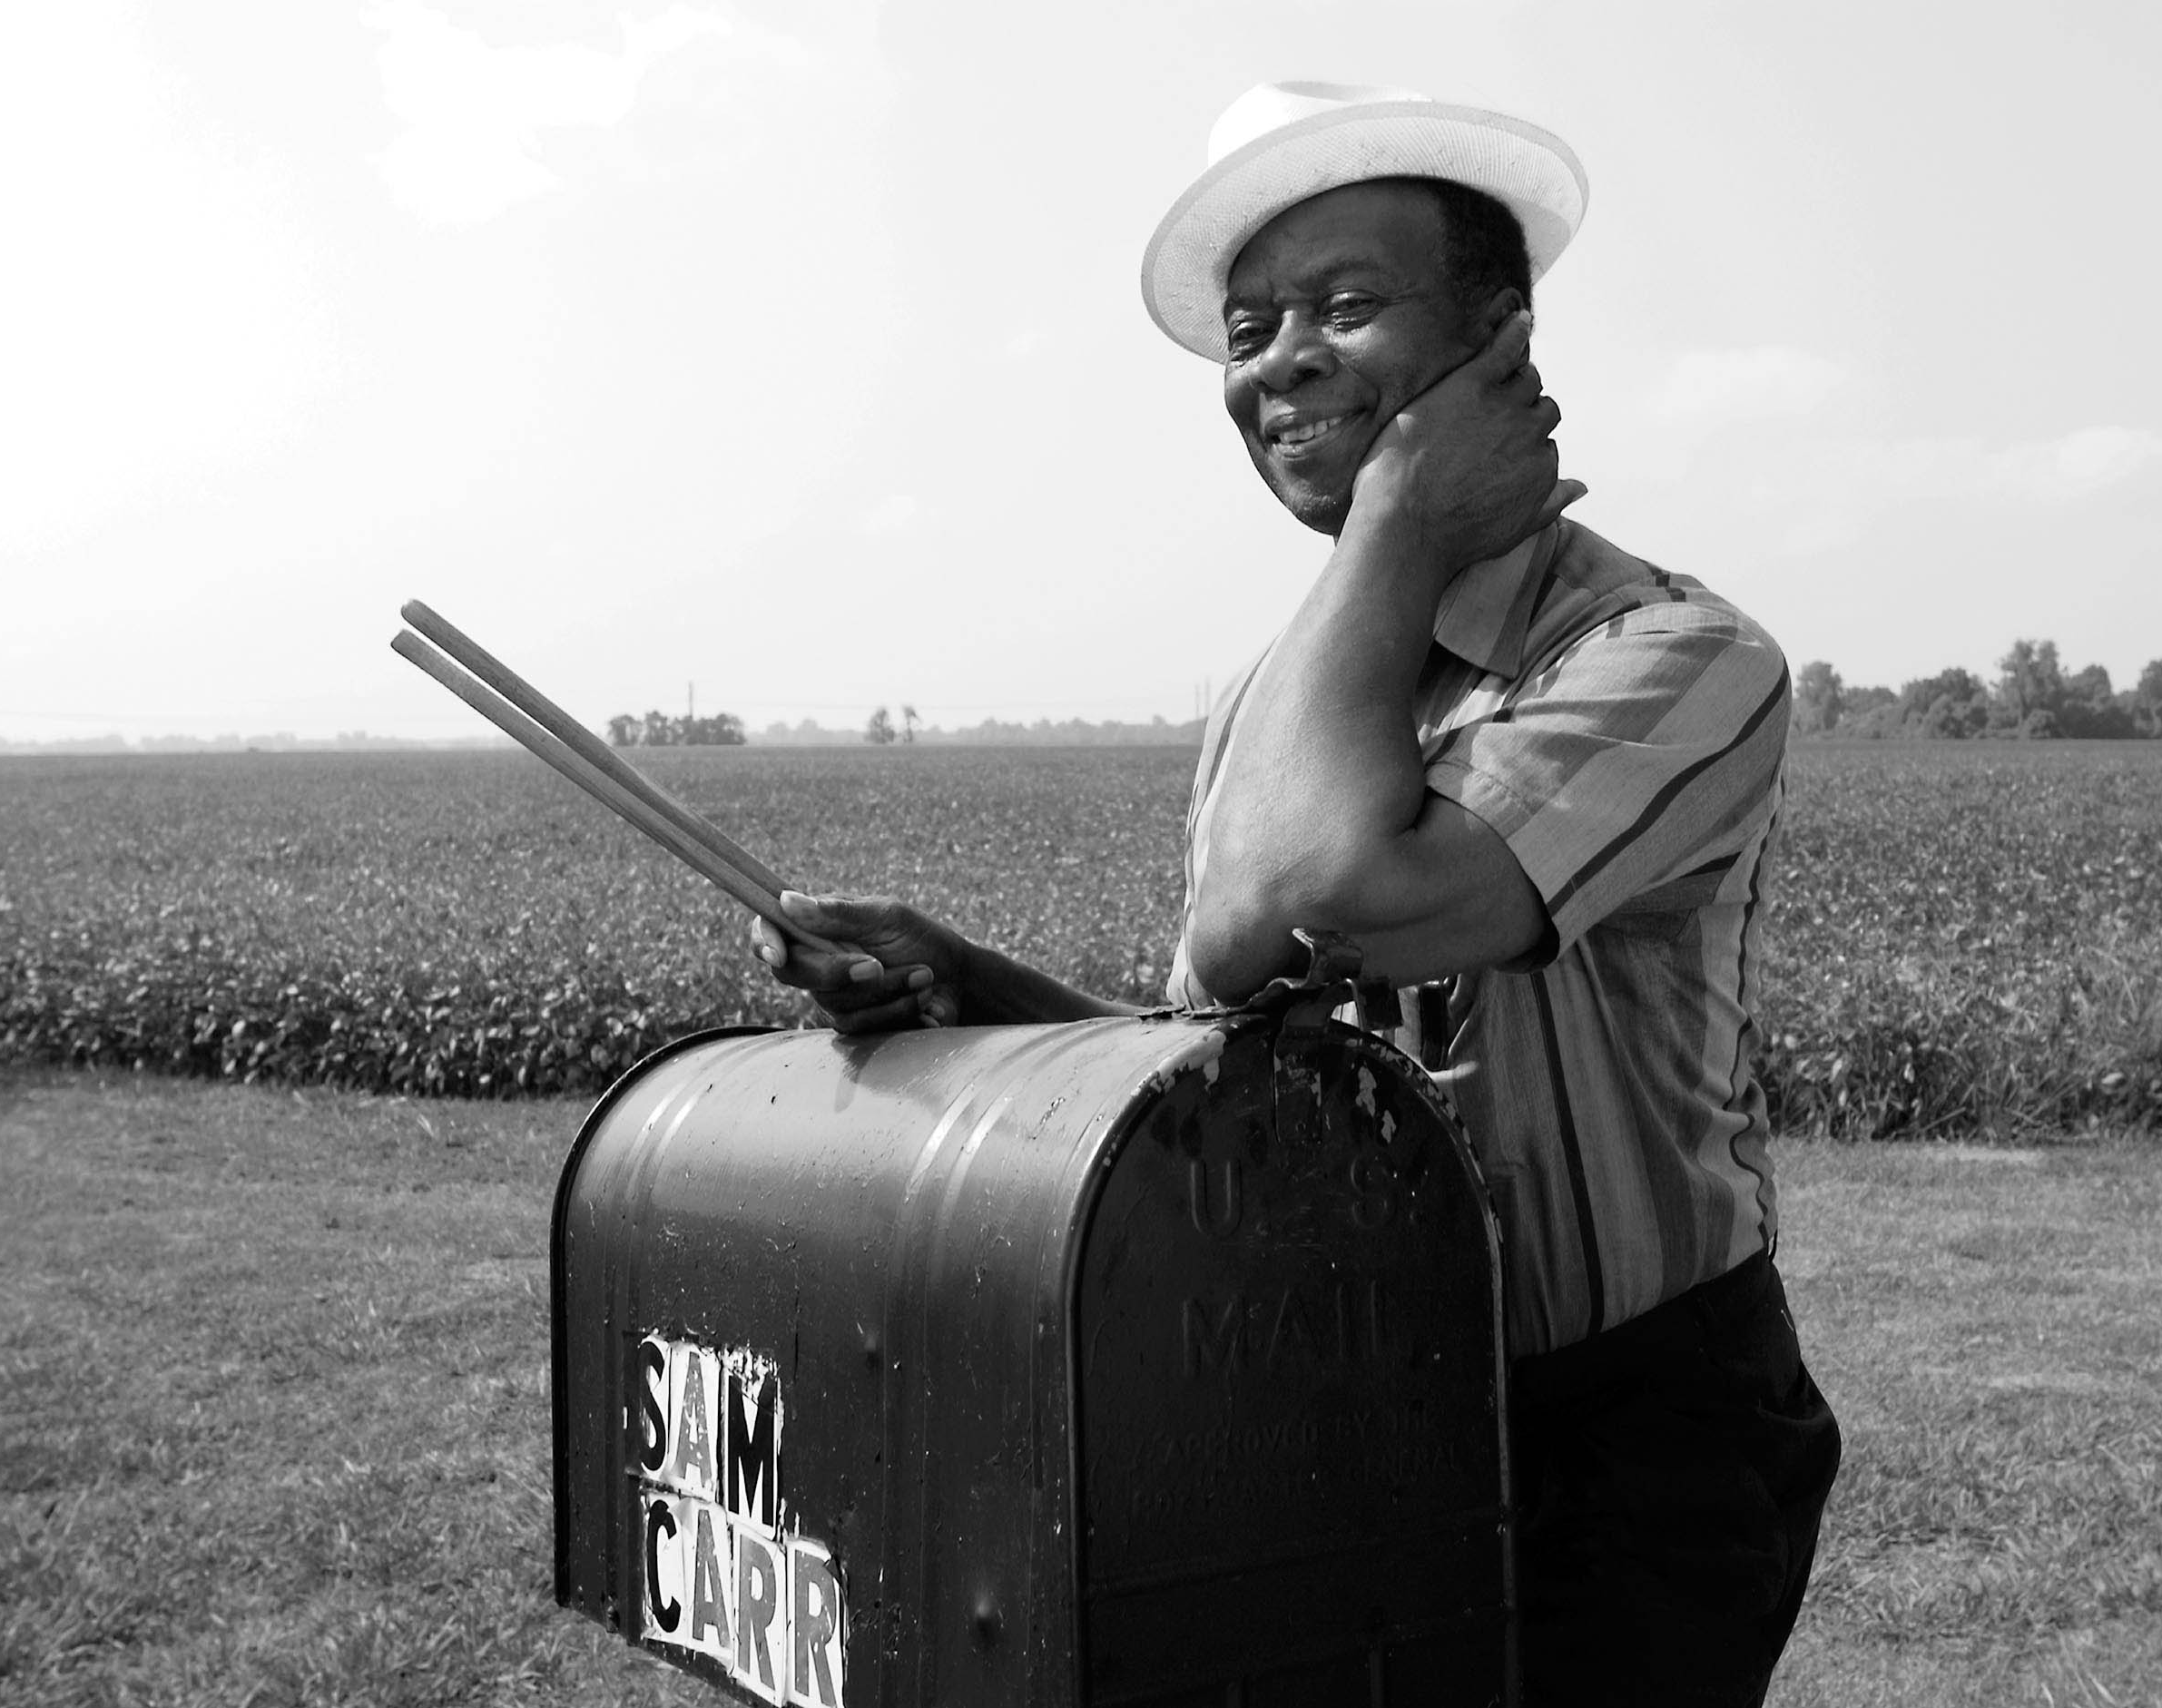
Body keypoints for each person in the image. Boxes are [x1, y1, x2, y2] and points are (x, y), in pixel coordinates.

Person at [751, 81, 1839, 1708]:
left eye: (1342, 305)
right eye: (1249, 327)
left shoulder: (1673, 657)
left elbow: (1352, 898)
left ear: (1501, 342)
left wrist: (1392, 522)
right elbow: (1234, 1038)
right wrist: (969, 984)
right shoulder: (1281, 702)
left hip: (1630, 1432)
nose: (1277, 362)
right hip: (1351, 1402)